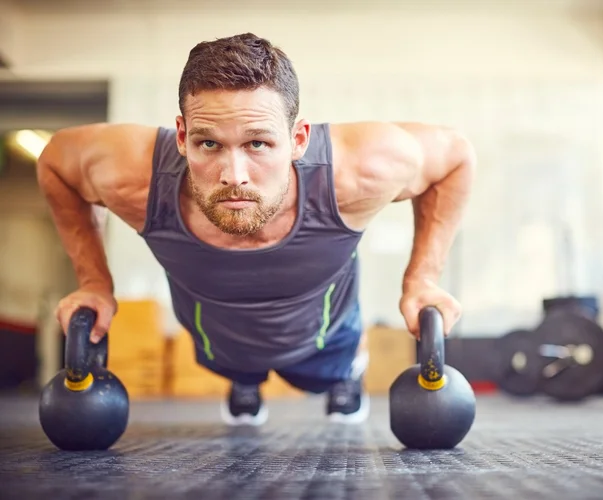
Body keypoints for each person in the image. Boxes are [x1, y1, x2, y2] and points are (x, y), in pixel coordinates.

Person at [36, 32, 475, 425]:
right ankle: (243, 378)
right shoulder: (137, 178)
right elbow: (56, 162)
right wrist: (94, 282)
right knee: (230, 363)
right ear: (182, 135)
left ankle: (346, 375)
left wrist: (422, 280)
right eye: (209, 143)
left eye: (258, 143)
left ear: (298, 139)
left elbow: (454, 158)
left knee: (326, 371)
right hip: (218, 335)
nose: (234, 175)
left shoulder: (359, 170)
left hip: (322, 335)